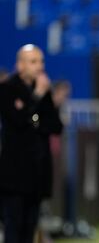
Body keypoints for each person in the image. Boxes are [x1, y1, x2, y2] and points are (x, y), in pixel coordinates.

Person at [0, 44, 63, 243]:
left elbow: (55, 126)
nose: (40, 66)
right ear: (20, 65)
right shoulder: (7, 88)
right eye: (34, 61)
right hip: (14, 175)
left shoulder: (44, 91)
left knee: (30, 229)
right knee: (14, 228)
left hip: (38, 173)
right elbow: (17, 121)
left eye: (42, 61)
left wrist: (32, 117)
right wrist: (35, 97)